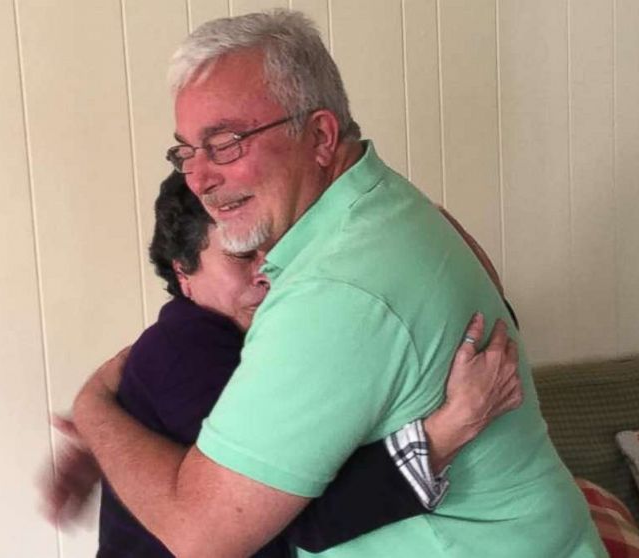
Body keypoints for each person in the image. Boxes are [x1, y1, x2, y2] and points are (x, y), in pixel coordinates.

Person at [72, 10, 606, 557]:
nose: (200, 178)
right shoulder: (394, 210)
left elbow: (204, 535)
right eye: (187, 151)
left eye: (226, 143)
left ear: (321, 136)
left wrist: (93, 411)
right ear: (182, 275)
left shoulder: (333, 290)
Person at [42, 173, 523, 557]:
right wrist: (446, 433)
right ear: (183, 274)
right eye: (241, 256)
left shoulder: (262, 335)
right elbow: (298, 520)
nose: (268, 271)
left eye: (275, 248)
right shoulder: (183, 351)